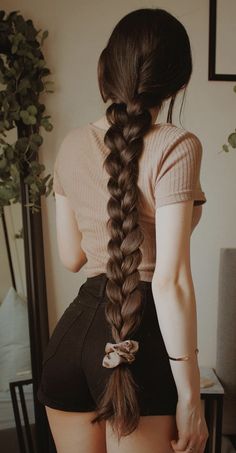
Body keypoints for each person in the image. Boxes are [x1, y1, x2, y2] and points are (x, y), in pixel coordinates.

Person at [37, 7, 209, 453]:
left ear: (106, 68)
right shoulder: (177, 144)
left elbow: (72, 258)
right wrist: (190, 392)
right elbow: (168, 281)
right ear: (179, 80)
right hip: (141, 341)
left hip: (71, 341)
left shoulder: (71, 144)